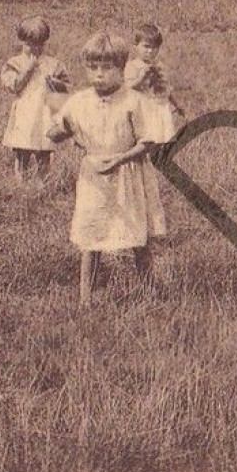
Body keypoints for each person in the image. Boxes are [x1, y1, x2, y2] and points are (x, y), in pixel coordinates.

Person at [49, 30, 166, 305]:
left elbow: (149, 141)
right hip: (95, 177)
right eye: (92, 68)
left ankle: (149, 292)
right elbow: (58, 132)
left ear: (121, 68)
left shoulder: (134, 101)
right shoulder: (79, 101)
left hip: (128, 173)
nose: (98, 74)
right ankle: (85, 300)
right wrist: (56, 118)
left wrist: (121, 159)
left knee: (137, 236)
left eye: (106, 68)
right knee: (92, 235)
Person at [0, 15, 70, 182]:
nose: (34, 49)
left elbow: (67, 87)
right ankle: (21, 182)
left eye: (39, 44)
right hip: (25, 114)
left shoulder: (53, 64)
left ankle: (42, 182)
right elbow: (13, 86)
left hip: (44, 114)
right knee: (22, 150)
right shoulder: (15, 63)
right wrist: (28, 69)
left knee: (44, 150)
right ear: (21, 41)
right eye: (29, 44)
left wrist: (56, 83)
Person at [125, 22, 183, 160]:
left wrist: (176, 104)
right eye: (146, 46)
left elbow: (165, 88)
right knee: (145, 139)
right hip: (143, 108)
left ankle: (157, 160)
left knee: (160, 137)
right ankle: (141, 160)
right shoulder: (132, 66)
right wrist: (140, 78)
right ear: (136, 46)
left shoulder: (159, 66)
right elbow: (127, 87)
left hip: (160, 107)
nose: (150, 51)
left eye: (155, 47)